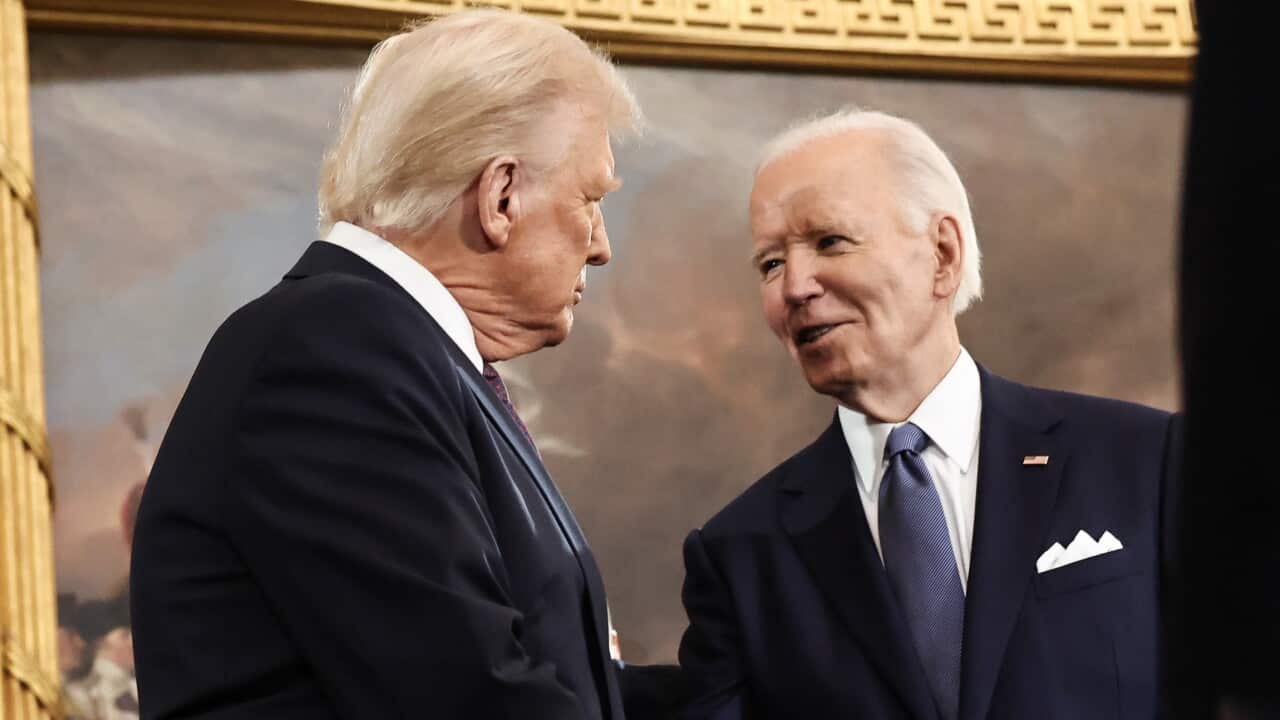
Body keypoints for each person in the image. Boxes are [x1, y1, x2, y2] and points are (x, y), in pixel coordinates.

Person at [131, 10, 682, 718]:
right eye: (591, 199)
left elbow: (544, 678)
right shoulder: (333, 352)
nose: (601, 245)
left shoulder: (399, 353)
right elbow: (464, 696)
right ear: (501, 196)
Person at [677, 109, 1179, 719]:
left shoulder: (1146, 463)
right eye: (770, 263)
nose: (794, 288)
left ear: (942, 254)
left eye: (829, 241)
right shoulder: (739, 555)